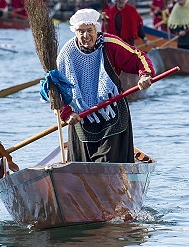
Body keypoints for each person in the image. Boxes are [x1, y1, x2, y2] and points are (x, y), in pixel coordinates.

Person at [49, 8, 154, 164]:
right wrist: (66, 114)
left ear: (96, 29)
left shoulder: (110, 44)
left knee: (110, 162)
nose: (86, 36)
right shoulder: (66, 54)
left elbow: (138, 57)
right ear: (75, 32)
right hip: (80, 118)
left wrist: (145, 75)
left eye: (89, 30)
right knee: (81, 165)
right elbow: (57, 90)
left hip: (112, 114)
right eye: (81, 31)